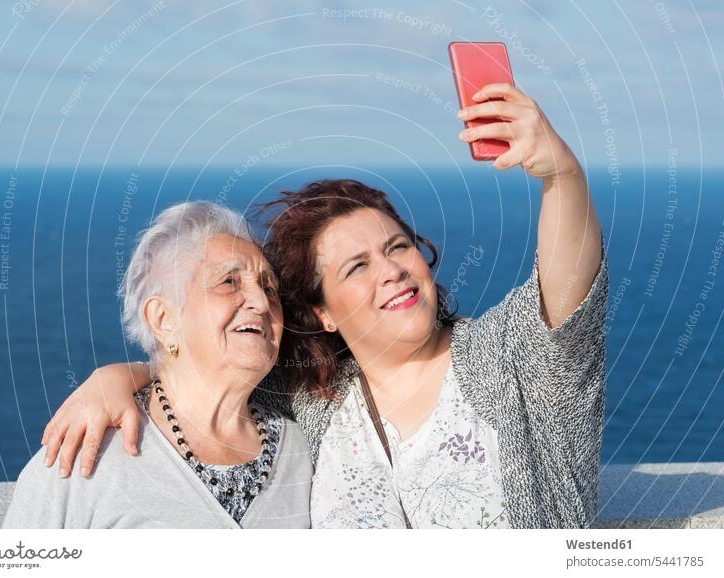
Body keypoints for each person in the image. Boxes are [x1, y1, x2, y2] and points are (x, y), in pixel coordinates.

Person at [39, 83, 609, 528]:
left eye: (398, 247)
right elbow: (210, 369)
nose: (391, 271)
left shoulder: (509, 359)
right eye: (356, 267)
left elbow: (566, 283)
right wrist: (118, 377)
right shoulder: (318, 403)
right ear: (323, 313)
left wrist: (561, 172)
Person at [3, 202, 312, 528]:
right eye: (229, 281)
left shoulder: (301, 452)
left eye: (269, 288)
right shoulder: (87, 453)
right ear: (163, 320)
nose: (262, 303)